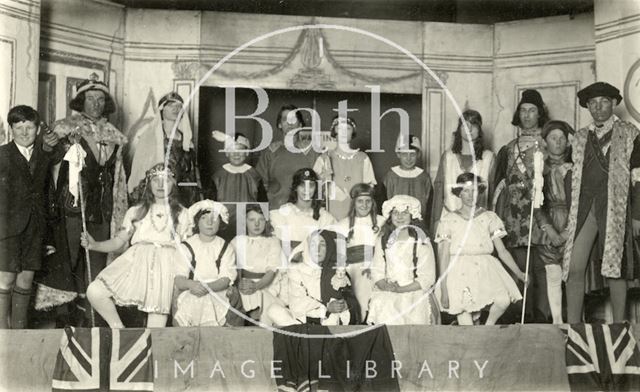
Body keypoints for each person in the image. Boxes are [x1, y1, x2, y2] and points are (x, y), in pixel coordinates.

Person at [51, 74, 128, 325]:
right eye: (90, 98)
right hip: (72, 206)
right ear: (81, 101)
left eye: (100, 99)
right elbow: (53, 169)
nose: (95, 104)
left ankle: (92, 315)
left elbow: (119, 177)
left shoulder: (115, 135)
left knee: (96, 259)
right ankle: (66, 316)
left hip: (103, 208)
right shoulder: (64, 128)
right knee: (70, 256)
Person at [562, 82, 640, 323]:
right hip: (586, 209)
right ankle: (574, 329)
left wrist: (637, 215)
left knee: (615, 269)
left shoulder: (631, 133)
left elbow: (639, 179)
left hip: (616, 210)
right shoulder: (579, 137)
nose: (598, 108)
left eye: (603, 102)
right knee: (574, 268)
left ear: (614, 103)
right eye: (593, 104)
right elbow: (569, 175)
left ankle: (619, 327)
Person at [82, 164, 190, 328]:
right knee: (95, 291)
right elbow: (118, 242)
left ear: (173, 185)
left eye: (166, 181)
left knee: (155, 328)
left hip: (166, 267)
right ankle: (118, 329)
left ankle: (147, 349)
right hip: (136, 263)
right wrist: (94, 245)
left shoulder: (183, 213)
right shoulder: (135, 211)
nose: (160, 185)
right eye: (155, 180)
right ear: (148, 184)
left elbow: (188, 249)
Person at [436, 173, 526, 325]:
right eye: (465, 191)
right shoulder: (449, 219)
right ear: (459, 193)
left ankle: (487, 328)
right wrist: (444, 288)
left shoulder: (489, 217)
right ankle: (472, 338)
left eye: (474, 191)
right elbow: (444, 255)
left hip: (486, 266)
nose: (471, 196)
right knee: (464, 311)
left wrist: (519, 273)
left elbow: (502, 251)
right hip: (459, 269)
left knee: (503, 300)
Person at [0, 106, 60, 328]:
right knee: (5, 280)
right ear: (11, 129)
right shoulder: (2, 155)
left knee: (25, 280)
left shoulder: (44, 153)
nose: (24, 133)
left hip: (34, 227)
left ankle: (19, 332)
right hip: (6, 229)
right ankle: (2, 335)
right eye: (19, 127)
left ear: (37, 129)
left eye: (30, 127)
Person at [492, 89, 549, 322]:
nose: (527, 115)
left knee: (541, 267)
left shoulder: (548, 143)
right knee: (516, 267)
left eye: (532, 110)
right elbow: (498, 186)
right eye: (523, 110)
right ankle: (519, 315)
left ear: (539, 114)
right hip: (514, 216)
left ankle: (541, 317)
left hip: (539, 213)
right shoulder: (508, 148)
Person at [267, 229, 360, 326]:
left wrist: (343, 305)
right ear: (307, 248)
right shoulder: (297, 270)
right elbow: (298, 305)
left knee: (335, 318)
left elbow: (350, 301)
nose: (318, 249)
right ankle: (307, 332)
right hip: (303, 318)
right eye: (313, 245)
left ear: (329, 247)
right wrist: (326, 308)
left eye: (323, 245)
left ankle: (308, 334)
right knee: (273, 310)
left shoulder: (337, 272)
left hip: (327, 320)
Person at [367, 195, 436, 325]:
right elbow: (377, 271)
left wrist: (400, 290)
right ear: (390, 216)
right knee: (385, 312)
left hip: (414, 292)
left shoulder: (421, 242)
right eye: (395, 213)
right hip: (389, 291)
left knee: (414, 319)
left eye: (404, 213)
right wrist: (386, 286)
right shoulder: (382, 240)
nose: (399, 217)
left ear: (412, 216)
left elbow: (427, 277)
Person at [173, 200, 242, 327]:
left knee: (211, 300)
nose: (209, 222)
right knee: (191, 301)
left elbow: (226, 278)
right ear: (196, 222)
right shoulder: (187, 246)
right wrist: (191, 284)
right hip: (191, 290)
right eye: (204, 218)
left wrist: (207, 287)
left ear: (221, 222)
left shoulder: (226, 247)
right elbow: (179, 278)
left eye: (214, 219)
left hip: (218, 290)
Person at [533, 121, 574, 324]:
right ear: (545, 142)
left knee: (574, 273)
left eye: (562, 138)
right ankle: (557, 322)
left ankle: (575, 321)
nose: (558, 142)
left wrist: (568, 231)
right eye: (553, 138)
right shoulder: (539, 168)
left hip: (572, 220)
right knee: (553, 273)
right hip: (547, 222)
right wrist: (549, 230)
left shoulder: (576, 166)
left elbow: (582, 200)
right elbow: (535, 203)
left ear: (568, 142)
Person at [129, 92, 199, 207]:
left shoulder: (186, 138)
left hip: (183, 194)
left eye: (179, 106)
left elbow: (191, 171)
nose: (175, 109)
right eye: (171, 106)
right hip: (158, 191)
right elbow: (140, 169)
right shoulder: (150, 136)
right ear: (162, 110)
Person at [431, 109, 494, 234]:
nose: (469, 129)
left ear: (479, 130)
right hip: (449, 219)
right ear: (459, 129)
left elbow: (492, 195)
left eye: (473, 125)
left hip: (478, 222)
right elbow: (439, 193)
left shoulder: (489, 158)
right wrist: (436, 221)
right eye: (465, 125)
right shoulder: (448, 157)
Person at [333, 183, 384, 320]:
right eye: (360, 201)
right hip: (352, 270)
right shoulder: (342, 225)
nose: (364, 205)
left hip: (377, 267)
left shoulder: (382, 222)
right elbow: (338, 253)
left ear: (373, 203)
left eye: (368, 201)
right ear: (354, 203)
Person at [256, 104, 321, 210]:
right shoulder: (271, 151)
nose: (290, 123)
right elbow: (260, 186)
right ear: (280, 124)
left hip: (305, 213)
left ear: (300, 124)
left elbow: (321, 184)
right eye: (285, 119)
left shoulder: (311, 151)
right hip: (276, 212)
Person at [313, 116, 376, 220]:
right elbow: (315, 190)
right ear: (334, 132)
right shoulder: (324, 158)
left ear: (352, 133)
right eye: (339, 128)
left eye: (347, 129)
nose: (343, 132)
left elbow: (369, 189)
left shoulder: (363, 158)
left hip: (357, 214)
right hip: (332, 214)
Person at [231, 204, 284, 325]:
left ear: (266, 222)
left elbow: (271, 271)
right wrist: (240, 283)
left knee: (266, 313)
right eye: (252, 220)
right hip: (242, 285)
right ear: (245, 222)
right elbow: (231, 267)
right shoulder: (237, 241)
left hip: (265, 285)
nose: (256, 224)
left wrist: (256, 286)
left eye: (261, 220)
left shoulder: (272, 241)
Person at [269, 168, 336, 257]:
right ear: (295, 188)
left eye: (311, 185)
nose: (306, 190)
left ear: (316, 188)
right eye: (302, 185)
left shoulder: (324, 217)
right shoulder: (282, 214)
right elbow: (273, 246)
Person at [210, 132, 263, 240]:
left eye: (240, 150)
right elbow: (211, 203)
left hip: (248, 226)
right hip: (224, 226)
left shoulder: (254, 176)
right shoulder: (218, 176)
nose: (236, 154)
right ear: (226, 153)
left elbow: (262, 202)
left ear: (247, 152)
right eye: (232, 150)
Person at [383, 134, 432, 221]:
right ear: (398, 154)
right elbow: (383, 203)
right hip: (396, 222)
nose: (408, 159)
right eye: (405, 154)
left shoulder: (424, 177)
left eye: (412, 154)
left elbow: (430, 206)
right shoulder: (390, 176)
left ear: (418, 154)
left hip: (418, 224)